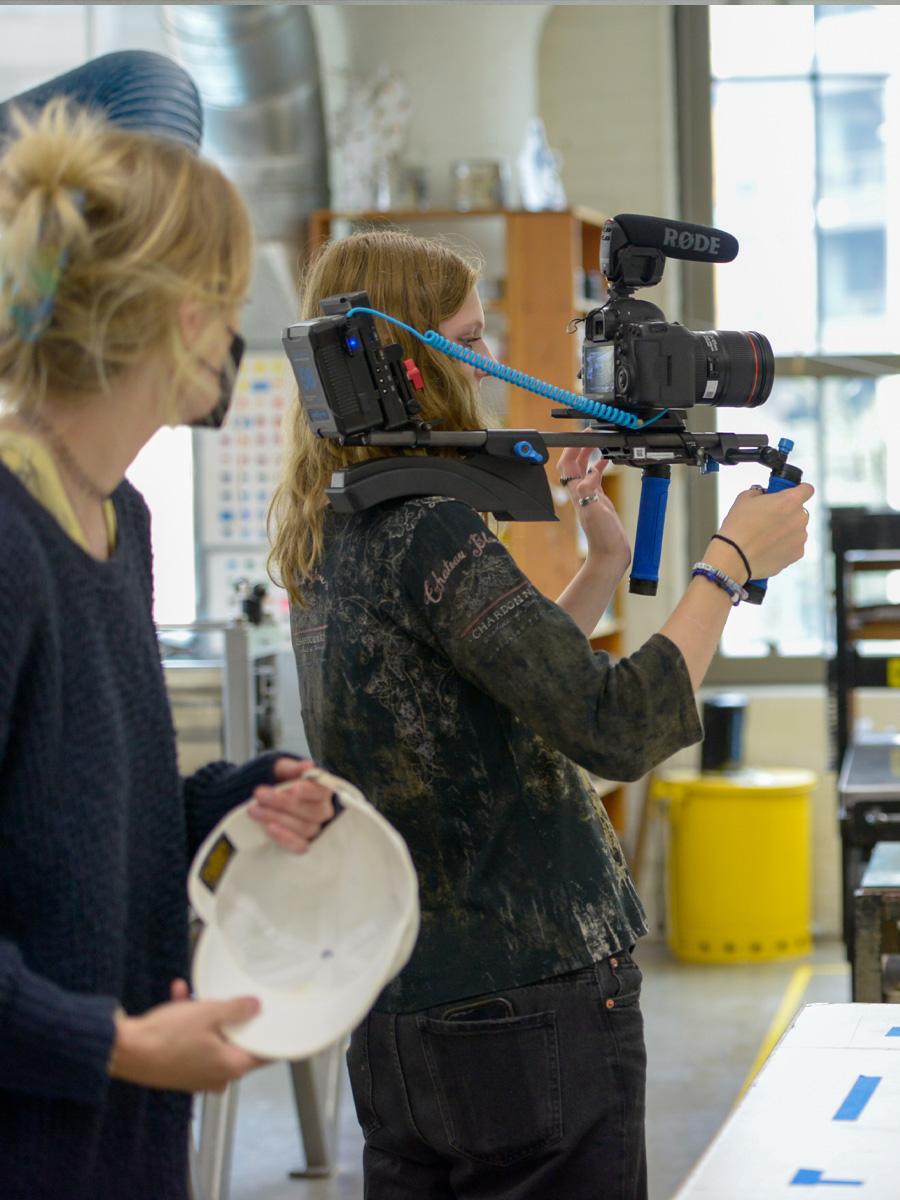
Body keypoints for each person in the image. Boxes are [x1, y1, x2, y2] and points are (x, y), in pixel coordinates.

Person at [269, 228, 814, 1200]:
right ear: (413, 361)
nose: (482, 371)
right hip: (527, 1003)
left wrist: (603, 562)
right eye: (469, 341)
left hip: (403, 1011)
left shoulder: (334, 528)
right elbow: (615, 725)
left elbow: (483, 693)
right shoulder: (427, 522)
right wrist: (728, 565)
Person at [0, 100, 336, 1200]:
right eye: (232, 303)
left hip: (125, 1141)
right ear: (183, 318)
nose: (238, 334)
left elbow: (75, 815)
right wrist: (118, 1044)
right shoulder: (8, 537)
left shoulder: (118, 519)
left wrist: (232, 802)